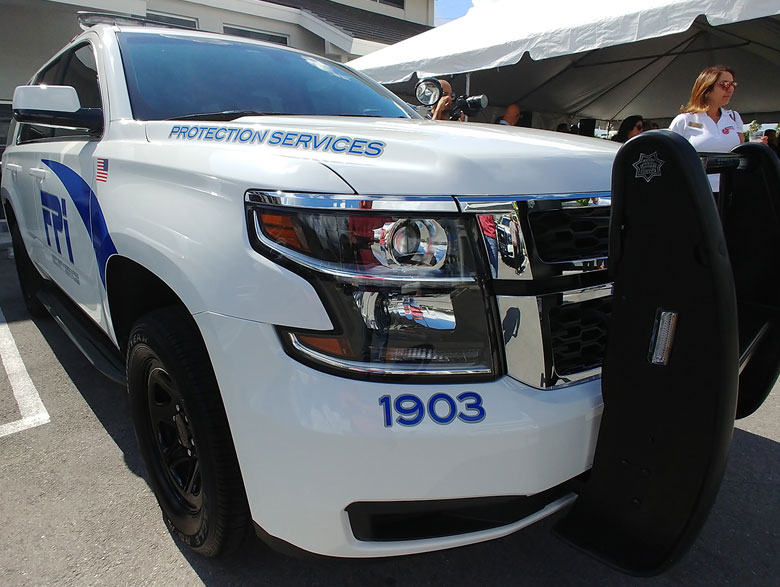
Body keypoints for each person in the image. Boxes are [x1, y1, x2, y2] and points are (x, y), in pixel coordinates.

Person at [668, 65, 744, 152]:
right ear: (706, 89)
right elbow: (670, 153)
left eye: (732, 85)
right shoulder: (684, 120)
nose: (730, 89)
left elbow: (741, 151)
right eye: (725, 85)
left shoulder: (734, 117)